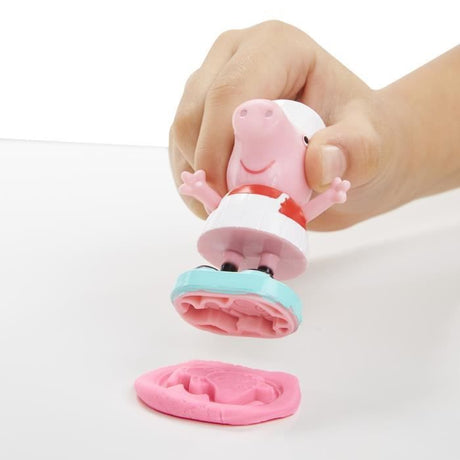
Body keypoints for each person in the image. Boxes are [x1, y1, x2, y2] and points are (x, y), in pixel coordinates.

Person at [169, 20, 460, 231]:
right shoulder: (241, 194)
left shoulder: (291, 204)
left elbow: (305, 211)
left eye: (305, 141)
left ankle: (263, 268)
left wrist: (331, 195)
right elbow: (219, 204)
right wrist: (201, 189)